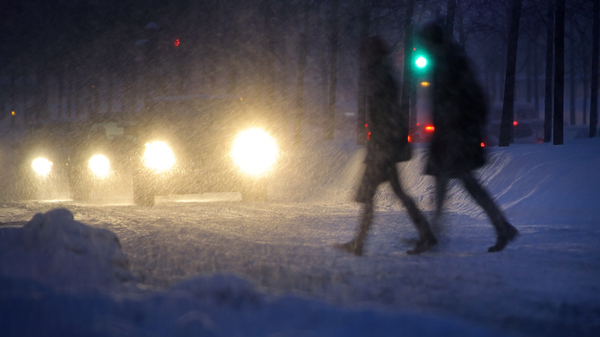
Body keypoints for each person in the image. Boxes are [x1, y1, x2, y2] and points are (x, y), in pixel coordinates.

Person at [417, 20, 518, 252]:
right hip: (455, 133)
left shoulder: (447, 61)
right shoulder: (450, 58)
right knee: (458, 183)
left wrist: (453, 126)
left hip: (454, 134)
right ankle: (501, 227)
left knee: (456, 182)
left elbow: (453, 99)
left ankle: (434, 236)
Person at [336, 36, 437, 256]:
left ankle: (359, 243)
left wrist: (380, 142)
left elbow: (384, 112)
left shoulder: (378, 75)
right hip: (385, 145)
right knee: (394, 193)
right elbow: (389, 112)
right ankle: (425, 234)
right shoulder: (383, 73)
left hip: (382, 147)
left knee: (371, 194)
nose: (362, 57)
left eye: (365, 52)